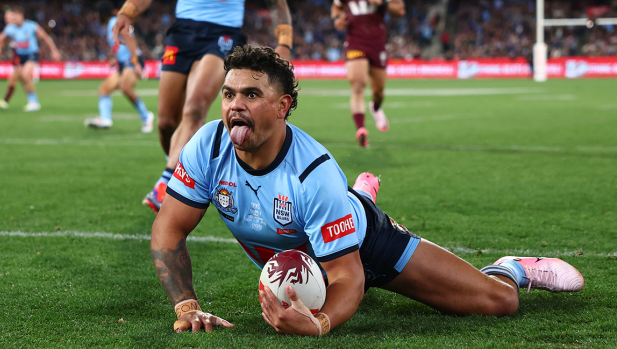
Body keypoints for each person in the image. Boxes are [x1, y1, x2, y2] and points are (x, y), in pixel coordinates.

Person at [151, 45, 585, 336]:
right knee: (326, 239)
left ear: (283, 106)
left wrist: (318, 324)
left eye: (250, 94)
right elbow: (167, 231)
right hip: (309, 257)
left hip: (365, 245)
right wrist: (187, 307)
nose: (234, 105)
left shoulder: (312, 174)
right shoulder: (207, 145)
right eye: (228, 94)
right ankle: (354, 199)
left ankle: (513, 267)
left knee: (499, 304)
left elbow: (348, 277)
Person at [110, 0, 292, 213]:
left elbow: (276, 3)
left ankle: (167, 183)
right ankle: (183, 169)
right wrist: (126, 13)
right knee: (167, 123)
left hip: (223, 34)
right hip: (183, 32)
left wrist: (285, 42)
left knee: (195, 108)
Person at [331, 0, 405, 147]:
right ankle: (361, 129)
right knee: (357, 84)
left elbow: (400, 9)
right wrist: (336, 19)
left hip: (377, 43)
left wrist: (381, 3)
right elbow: (336, 6)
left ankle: (375, 107)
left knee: (379, 92)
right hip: (355, 41)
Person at [84, 1, 154, 133]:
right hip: (123, 63)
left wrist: (135, 61)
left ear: (102, 14)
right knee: (104, 89)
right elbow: (122, 43)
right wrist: (116, 59)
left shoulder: (115, 22)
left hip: (131, 61)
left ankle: (146, 116)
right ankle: (105, 119)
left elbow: (130, 39)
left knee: (125, 86)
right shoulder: (112, 23)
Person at [0, 5, 61, 111]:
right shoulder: (10, 28)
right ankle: (32, 101)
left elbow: (45, 37)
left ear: (21, 16)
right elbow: (1, 39)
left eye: (14, 16)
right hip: (20, 56)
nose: (12, 18)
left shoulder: (31, 25)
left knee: (25, 75)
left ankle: (34, 102)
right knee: (21, 79)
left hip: (32, 54)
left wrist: (54, 50)